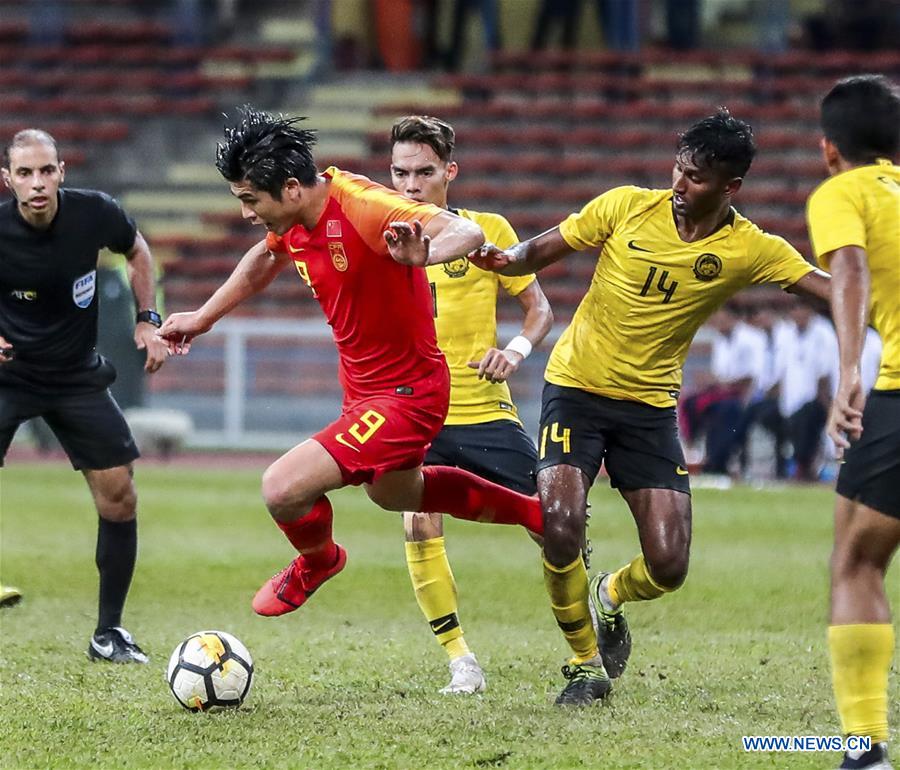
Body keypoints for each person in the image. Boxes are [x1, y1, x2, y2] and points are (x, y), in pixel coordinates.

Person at [470, 109, 832, 705]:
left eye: (695, 177)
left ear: (730, 186)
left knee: (668, 566)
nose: (679, 184)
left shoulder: (749, 248)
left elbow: (826, 291)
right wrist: (501, 259)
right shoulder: (624, 206)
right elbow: (538, 250)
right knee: (559, 527)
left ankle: (609, 592)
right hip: (576, 389)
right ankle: (585, 666)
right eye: (677, 168)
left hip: (649, 407)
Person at [158, 108, 544, 626]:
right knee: (396, 494)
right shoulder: (295, 219)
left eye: (251, 200)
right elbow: (267, 257)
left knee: (282, 488)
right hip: (364, 392)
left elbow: (465, 233)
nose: (248, 213)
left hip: (409, 395)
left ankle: (319, 561)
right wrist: (203, 317)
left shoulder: (363, 206)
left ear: (291, 188)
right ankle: (533, 511)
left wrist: (424, 255)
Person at [389, 115, 553, 694]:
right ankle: (462, 661)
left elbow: (539, 309)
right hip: (413, 410)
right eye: (400, 173)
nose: (410, 185)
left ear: (449, 172)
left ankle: (596, 622)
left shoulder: (486, 228)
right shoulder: (372, 236)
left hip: (484, 408)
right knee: (418, 521)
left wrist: (514, 349)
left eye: (424, 173)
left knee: (556, 525)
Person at [0, 129, 168, 662]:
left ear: (62, 172)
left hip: (75, 375)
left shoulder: (95, 213)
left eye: (46, 170)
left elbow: (138, 251)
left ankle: (109, 634)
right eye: (24, 173)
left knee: (120, 495)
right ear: (8, 181)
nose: (37, 183)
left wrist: (147, 320)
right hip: (8, 374)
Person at [806, 74, 900, 770]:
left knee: (857, 559)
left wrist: (848, 374)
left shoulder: (843, 192)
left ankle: (863, 747)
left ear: (828, 149)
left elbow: (850, 268)